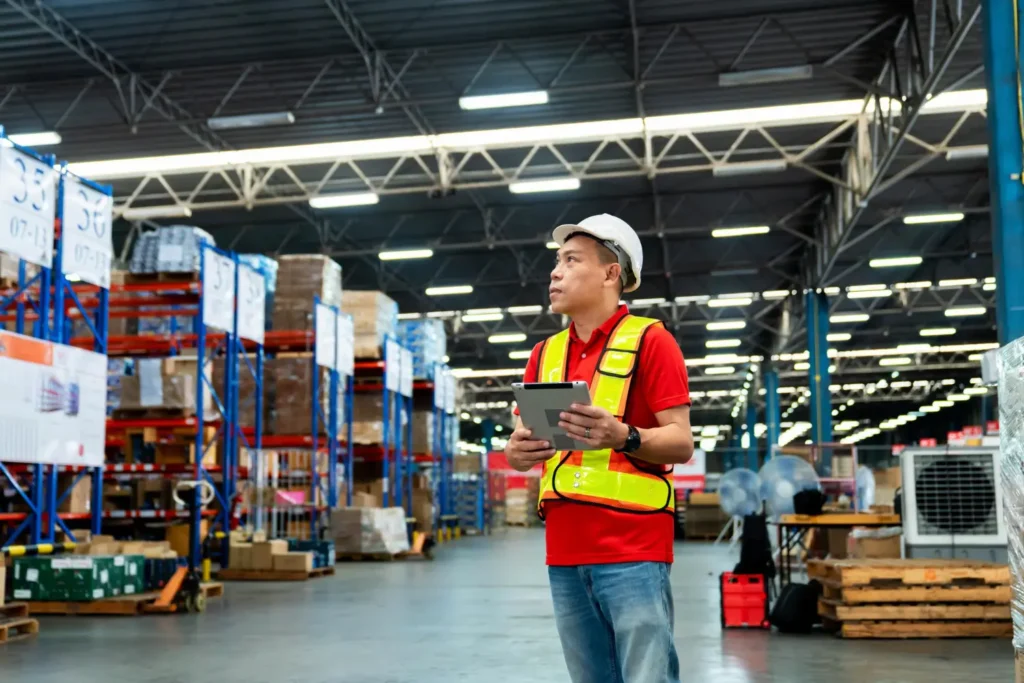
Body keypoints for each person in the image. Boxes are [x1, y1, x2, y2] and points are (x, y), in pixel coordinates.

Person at [504, 213, 694, 683]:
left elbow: (681, 442)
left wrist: (624, 436)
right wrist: (515, 453)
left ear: (612, 274)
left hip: (633, 545)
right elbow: (522, 442)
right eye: (557, 262)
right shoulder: (543, 354)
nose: (555, 272)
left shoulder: (652, 341)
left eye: (571, 260)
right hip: (564, 548)